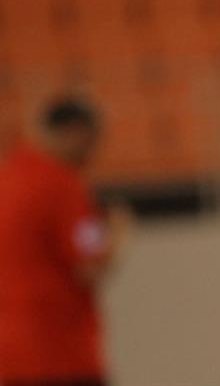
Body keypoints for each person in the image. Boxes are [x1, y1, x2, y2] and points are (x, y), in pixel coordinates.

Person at [0, 96, 128, 385]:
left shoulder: (6, 178)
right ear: (76, 132)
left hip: (13, 355)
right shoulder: (63, 185)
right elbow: (91, 264)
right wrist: (118, 232)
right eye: (93, 141)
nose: (94, 153)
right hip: (62, 353)